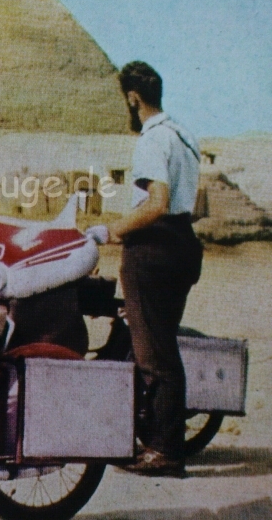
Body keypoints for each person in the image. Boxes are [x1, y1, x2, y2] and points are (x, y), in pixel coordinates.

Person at [86, 61, 202, 477]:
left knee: (154, 355)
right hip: (182, 245)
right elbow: (188, 203)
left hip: (154, 252)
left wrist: (112, 230)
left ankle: (165, 452)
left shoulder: (152, 140)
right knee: (157, 346)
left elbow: (155, 203)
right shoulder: (184, 136)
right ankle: (157, 437)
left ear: (133, 99)